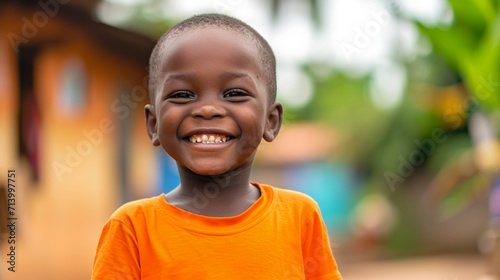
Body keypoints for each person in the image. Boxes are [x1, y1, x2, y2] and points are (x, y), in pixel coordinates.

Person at [92, 13, 343, 279]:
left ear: (270, 121)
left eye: (234, 94)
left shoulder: (298, 216)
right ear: (153, 124)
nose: (208, 109)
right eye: (182, 95)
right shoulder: (132, 227)